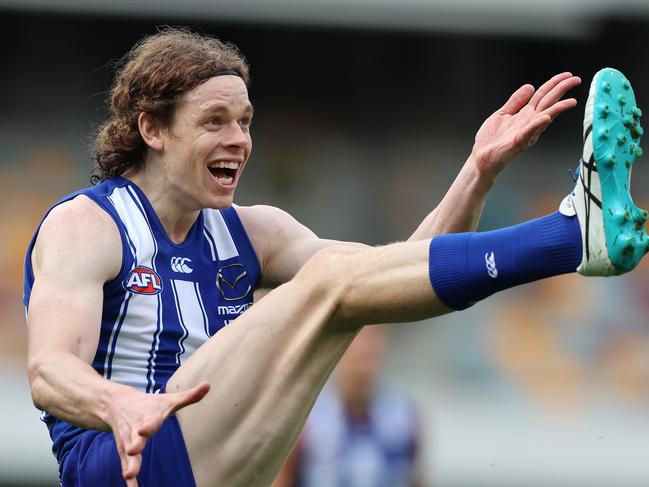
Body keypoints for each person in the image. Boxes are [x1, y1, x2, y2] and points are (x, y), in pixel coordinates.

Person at [23, 27, 645, 487]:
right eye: (214, 121)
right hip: (121, 464)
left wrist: (476, 174)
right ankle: (569, 237)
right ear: (152, 130)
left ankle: (575, 235)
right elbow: (49, 372)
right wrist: (121, 404)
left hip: (212, 455)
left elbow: (393, 276)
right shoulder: (88, 224)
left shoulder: (252, 231)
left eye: (245, 121)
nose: (238, 140)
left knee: (344, 290)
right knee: (327, 284)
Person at [272, 326, 424, 487]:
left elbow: (414, 477)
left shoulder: (404, 417)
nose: (366, 348)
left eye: (374, 338)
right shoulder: (306, 418)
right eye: (359, 338)